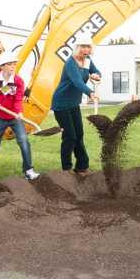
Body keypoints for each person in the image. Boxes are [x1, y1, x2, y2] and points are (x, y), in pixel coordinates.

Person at [0, 52, 40, 191]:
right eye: (10, 64)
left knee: (24, 142)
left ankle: (28, 171)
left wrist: (18, 112)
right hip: (0, 117)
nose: (13, 67)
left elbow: (18, 99)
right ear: (2, 66)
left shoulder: (18, 81)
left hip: (14, 118)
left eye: (14, 64)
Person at [51, 34, 101, 176]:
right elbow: (77, 82)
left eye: (88, 47)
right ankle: (66, 169)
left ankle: (82, 167)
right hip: (61, 104)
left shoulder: (87, 61)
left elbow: (96, 71)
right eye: (83, 46)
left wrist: (96, 75)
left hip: (74, 103)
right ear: (77, 47)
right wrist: (90, 92)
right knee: (70, 136)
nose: (86, 49)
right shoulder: (70, 63)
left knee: (79, 134)